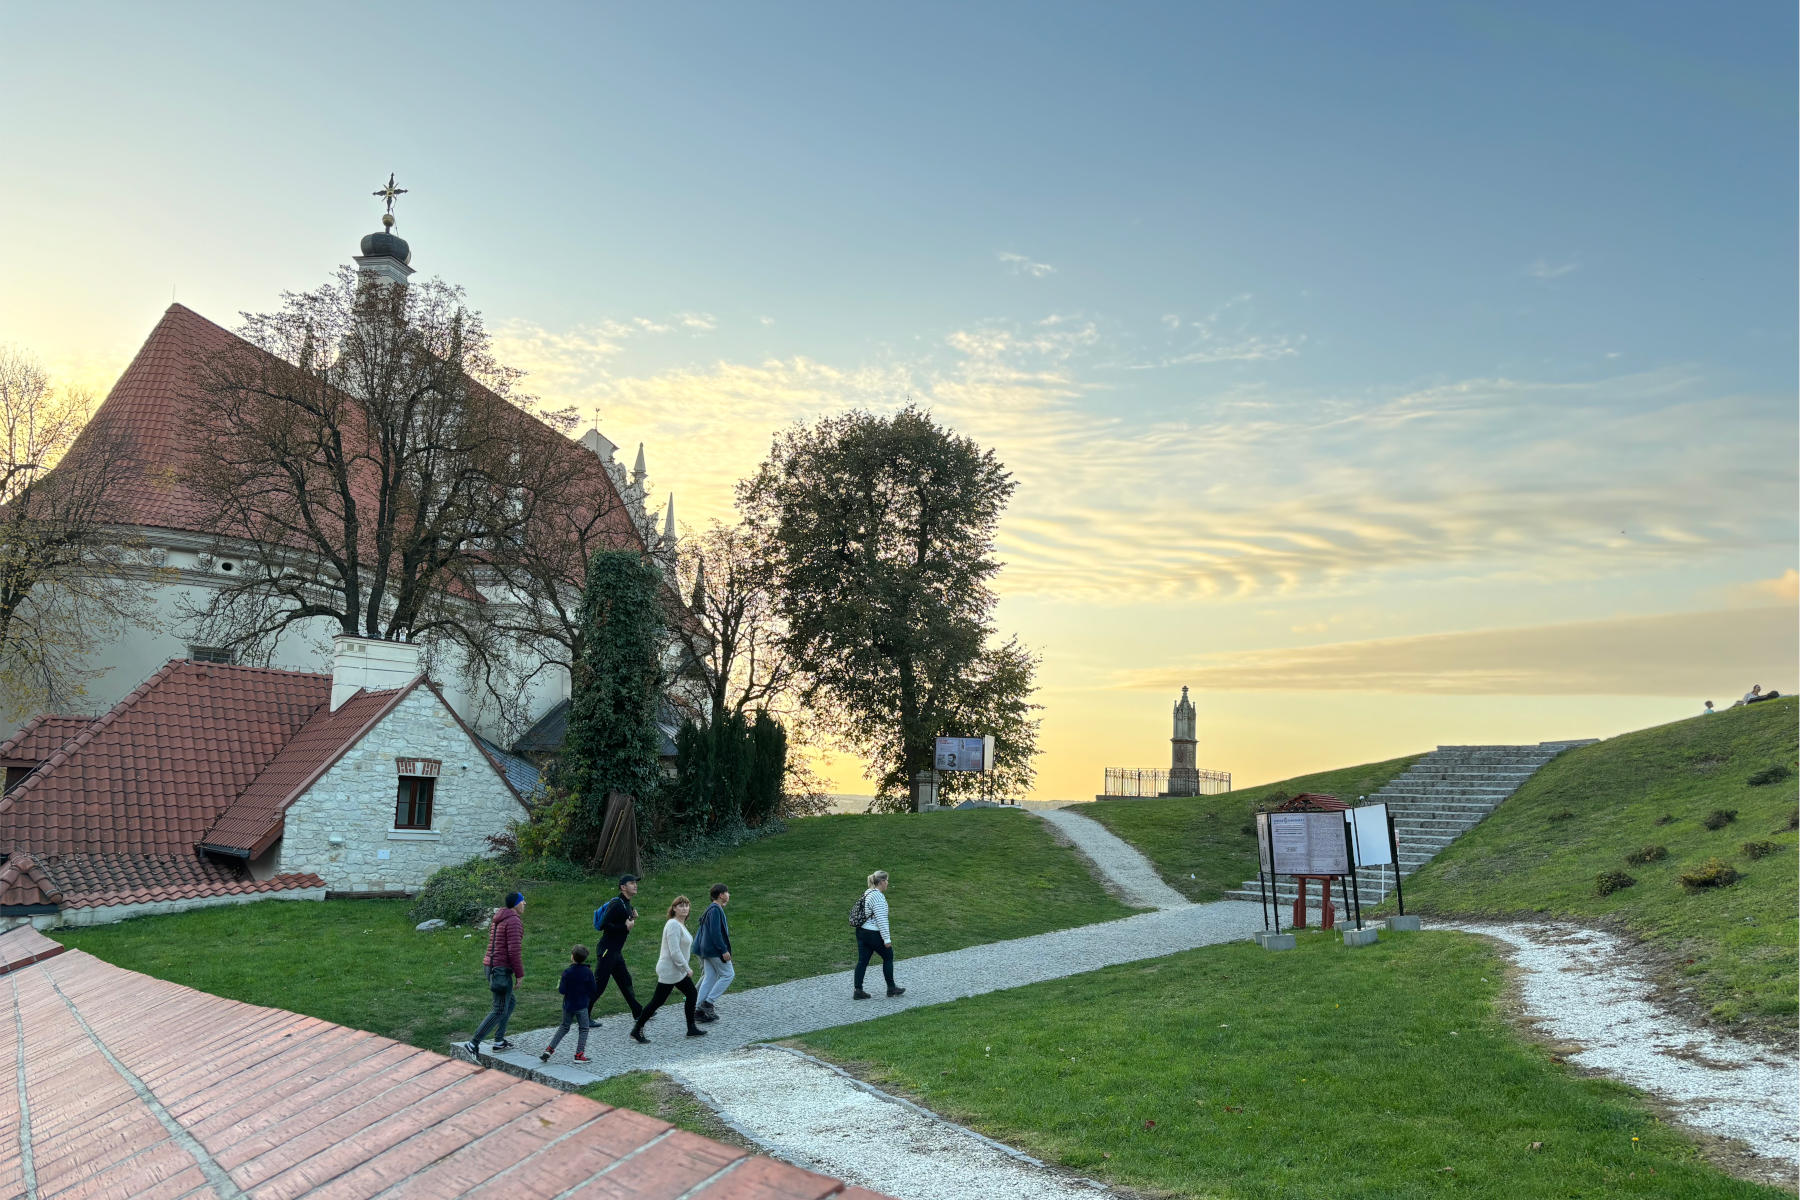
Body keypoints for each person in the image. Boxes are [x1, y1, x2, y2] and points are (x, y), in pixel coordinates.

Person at [630, 895, 708, 1042]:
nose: (684, 908)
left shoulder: (680, 924)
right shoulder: (673, 924)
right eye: (681, 905)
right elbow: (674, 951)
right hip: (671, 969)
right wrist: (686, 968)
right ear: (674, 909)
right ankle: (637, 1029)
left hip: (676, 969)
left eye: (686, 905)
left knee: (691, 993)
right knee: (658, 1001)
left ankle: (691, 1028)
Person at [462, 891, 525, 1056]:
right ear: (516, 904)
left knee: (509, 1003)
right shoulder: (513, 921)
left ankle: (499, 1041)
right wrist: (519, 974)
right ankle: (472, 1044)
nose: (525, 904)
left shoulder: (500, 918)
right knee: (499, 1009)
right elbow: (514, 951)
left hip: (490, 966)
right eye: (522, 901)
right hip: (501, 970)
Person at [591, 874, 645, 1024]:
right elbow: (603, 925)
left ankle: (638, 1012)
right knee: (599, 984)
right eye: (631, 883)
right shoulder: (616, 904)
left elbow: (622, 921)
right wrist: (625, 927)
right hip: (607, 951)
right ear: (623, 887)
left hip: (615, 951)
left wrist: (632, 918)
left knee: (625, 980)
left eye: (635, 883)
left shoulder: (626, 903)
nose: (635, 885)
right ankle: (584, 1015)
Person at [541, 945, 599, 1063]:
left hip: (568, 1005)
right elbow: (593, 989)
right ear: (585, 958)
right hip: (582, 1005)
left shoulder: (567, 972)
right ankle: (579, 1055)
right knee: (584, 1028)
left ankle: (549, 1049)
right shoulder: (587, 971)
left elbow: (562, 990)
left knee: (564, 1026)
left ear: (572, 957)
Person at [853, 869, 904, 1000]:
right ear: (881, 882)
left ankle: (858, 990)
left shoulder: (868, 893)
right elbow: (881, 920)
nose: (887, 883)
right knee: (888, 956)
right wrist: (886, 939)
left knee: (862, 961)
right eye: (886, 881)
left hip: (862, 932)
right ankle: (891, 988)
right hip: (873, 933)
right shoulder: (878, 897)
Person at [693, 883, 734, 1023]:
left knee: (709, 977)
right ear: (721, 895)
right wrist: (723, 950)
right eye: (727, 892)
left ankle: (698, 1010)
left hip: (706, 950)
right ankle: (708, 1003)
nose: (729, 895)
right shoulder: (716, 910)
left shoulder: (711, 909)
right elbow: (716, 933)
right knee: (728, 974)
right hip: (714, 950)